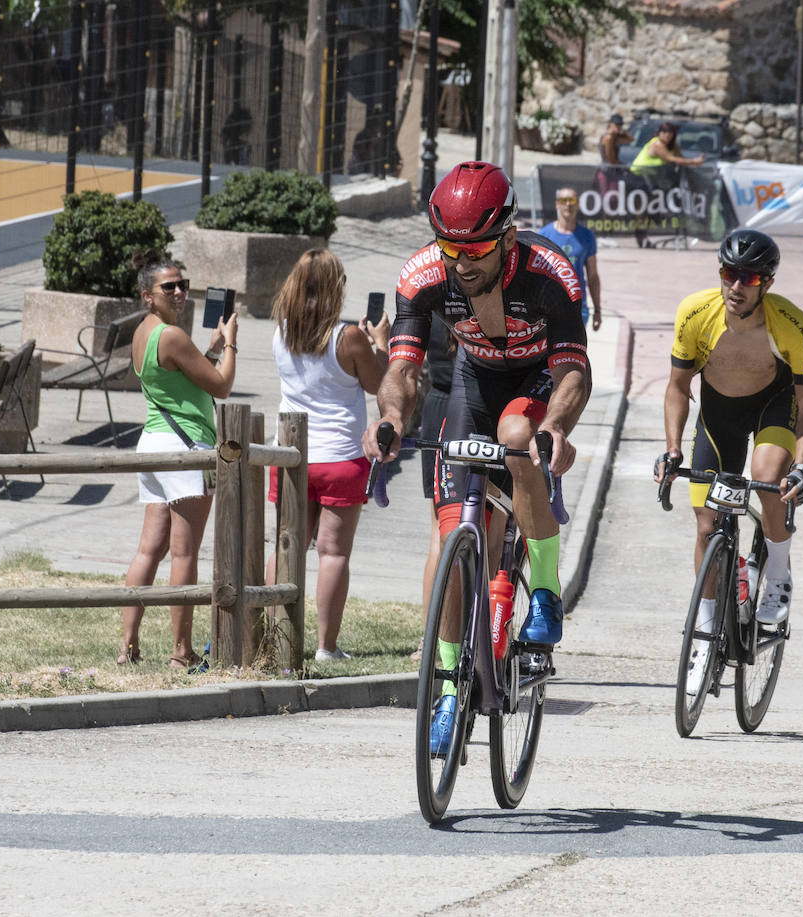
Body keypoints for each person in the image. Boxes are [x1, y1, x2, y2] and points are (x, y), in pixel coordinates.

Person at [362, 161, 590, 754]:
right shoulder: (423, 275)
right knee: (447, 540)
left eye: (478, 250)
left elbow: (573, 370)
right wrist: (389, 418)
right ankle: (444, 685)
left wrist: (557, 428)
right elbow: (403, 370)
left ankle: (543, 592)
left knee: (518, 434)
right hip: (473, 380)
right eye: (451, 249)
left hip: (537, 381)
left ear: (508, 236)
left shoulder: (550, 275)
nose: (462, 263)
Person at [653, 229, 803, 695]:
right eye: (729, 274)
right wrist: (672, 448)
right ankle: (703, 636)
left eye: (748, 278)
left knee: (769, 480)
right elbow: (676, 387)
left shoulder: (789, 321)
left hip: (775, 403)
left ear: (765, 283)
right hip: (718, 413)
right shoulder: (695, 312)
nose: (736, 286)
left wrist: (802, 465)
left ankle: (779, 572)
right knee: (707, 524)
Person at [265, 249, 390, 662]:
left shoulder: (280, 332)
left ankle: (273, 634)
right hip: (340, 455)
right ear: (335, 288)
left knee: (287, 546)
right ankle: (325, 647)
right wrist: (382, 345)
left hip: (291, 453)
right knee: (333, 553)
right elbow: (376, 385)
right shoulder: (347, 336)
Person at [122, 250, 238, 670]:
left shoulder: (145, 334)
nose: (178, 292)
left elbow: (180, 381)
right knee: (184, 552)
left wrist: (209, 349)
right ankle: (181, 652)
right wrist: (233, 344)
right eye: (167, 287)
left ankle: (128, 645)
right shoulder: (172, 336)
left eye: (183, 285)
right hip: (184, 447)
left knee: (148, 550)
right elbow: (222, 387)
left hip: (154, 442)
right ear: (146, 295)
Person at [630, 121, 705, 248]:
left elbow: (680, 157)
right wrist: (695, 161)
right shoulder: (657, 144)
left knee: (650, 210)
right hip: (639, 178)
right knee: (642, 210)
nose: (667, 135)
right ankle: (641, 236)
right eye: (664, 132)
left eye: (670, 132)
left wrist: (687, 160)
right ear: (659, 133)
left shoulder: (672, 145)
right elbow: (673, 159)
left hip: (652, 179)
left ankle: (643, 236)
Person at [538, 186, 603, 332]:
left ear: (578, 204)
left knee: (574, 354)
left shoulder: (587, 237)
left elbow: (593, 277)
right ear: (557, 204)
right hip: (549, 309)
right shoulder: (544, 235)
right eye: (564, 200)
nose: (568, 204)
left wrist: (597, 310)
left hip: (578, 309)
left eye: (572, 200)